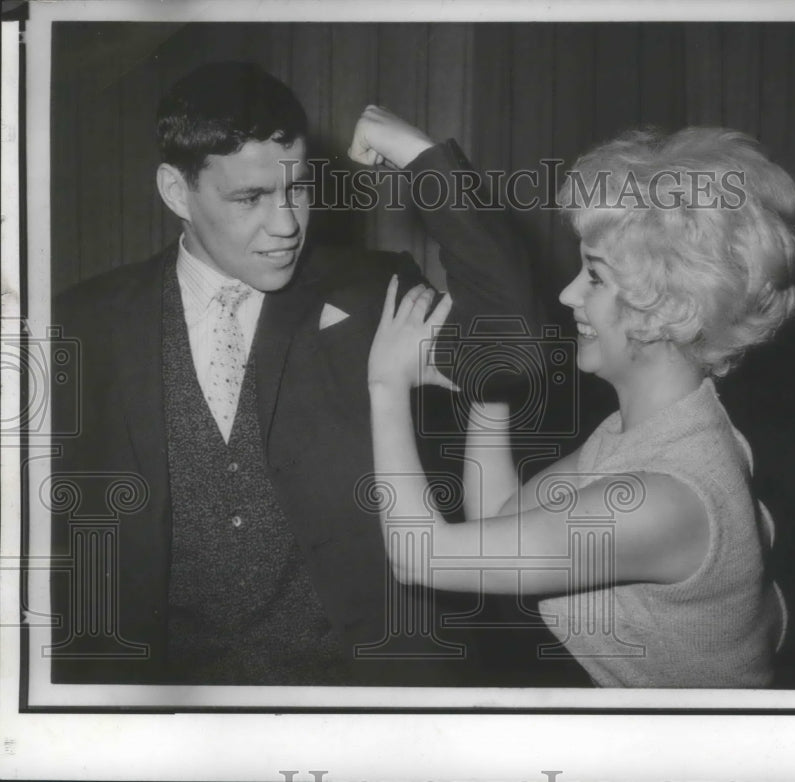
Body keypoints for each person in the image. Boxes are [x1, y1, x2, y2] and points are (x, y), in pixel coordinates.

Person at [48, 62, 544, 686]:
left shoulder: (373, 295)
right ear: (176, 191)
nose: (285, 225)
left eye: (297, 189)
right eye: (250, 198)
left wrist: (423, 159)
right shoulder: (81, 323)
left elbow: (510, 348)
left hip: (372, 702)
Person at [367, 127, 795, 687]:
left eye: (595, 276)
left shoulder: (664, 497)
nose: (568, 295)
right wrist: (490, 390)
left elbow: (422, 557)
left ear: (668, 310)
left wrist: (385, 385)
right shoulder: (660, 430)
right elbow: (497, 518)